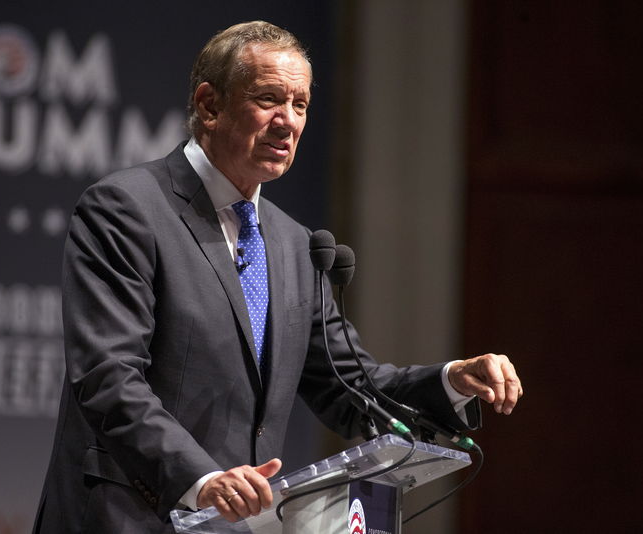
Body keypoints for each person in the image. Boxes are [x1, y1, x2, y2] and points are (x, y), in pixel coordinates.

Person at [33, 20, 522, 534]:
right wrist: (202, 480)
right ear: (209, 105)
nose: (287, 121)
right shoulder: (128, 209)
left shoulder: (293, 245)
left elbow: (350, 387)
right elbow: (109, 378)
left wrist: (451, 381)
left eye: (300, 105)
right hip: (124, 518)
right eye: (268, 99)